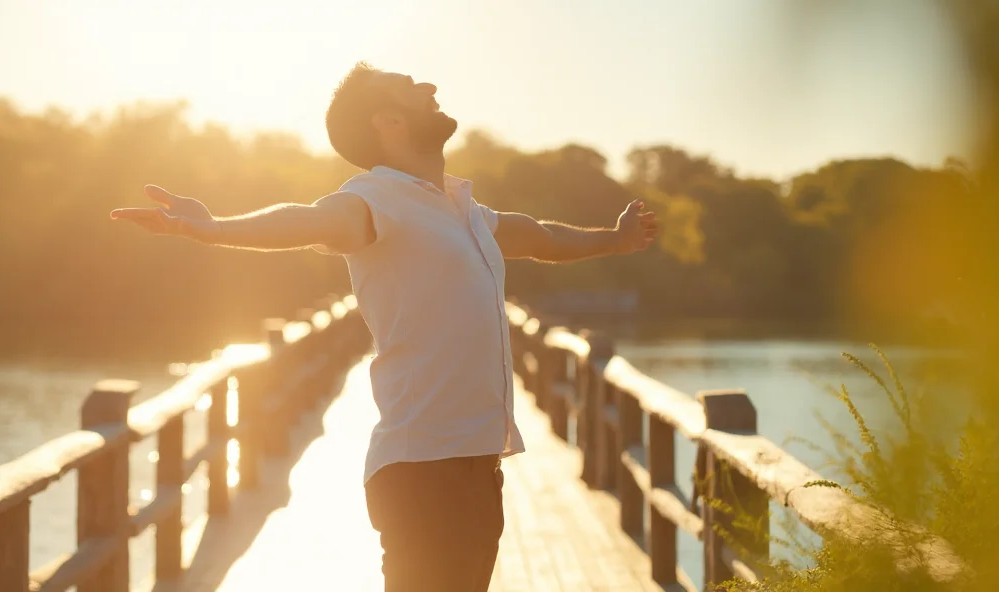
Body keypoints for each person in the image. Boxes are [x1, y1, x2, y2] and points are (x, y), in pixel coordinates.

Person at [109, 62, 658, 592]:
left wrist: (616, 239)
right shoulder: (372, 200)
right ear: (388, 120)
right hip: (424, 473)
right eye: (409, 85)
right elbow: (307, 220)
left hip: (477, 466)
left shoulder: (462, 210)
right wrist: (213, 229)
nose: (430, 85)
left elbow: (540, 238)